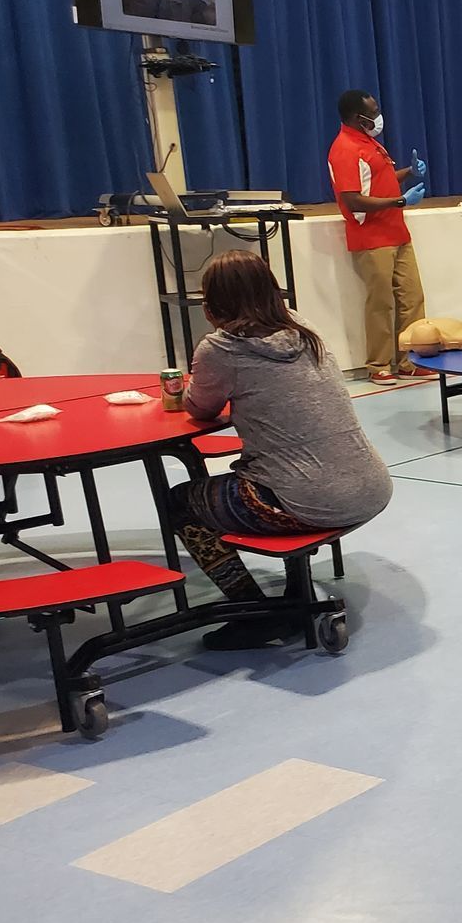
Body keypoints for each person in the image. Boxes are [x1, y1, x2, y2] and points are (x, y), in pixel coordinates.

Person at [174, 252, 393, 648]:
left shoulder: (221, 349)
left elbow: (198, 406)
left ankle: (255, 613)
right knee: (288, 474)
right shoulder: (302, 326)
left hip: (308, 498)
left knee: (180, 503)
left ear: (212, 305)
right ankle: (296, 596)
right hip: (371, 485)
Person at [328, 88, 428, 382]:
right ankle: (378, 364)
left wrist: (409, 172)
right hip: (372, 237)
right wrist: (400, 201)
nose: (378, 116)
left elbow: (379, 182)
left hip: (397, 232)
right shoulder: (344, 148)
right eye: (373, 112)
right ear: (358, 118)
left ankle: (410, 360)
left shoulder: (370, 143)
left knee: (412, 298)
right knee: (381, 302)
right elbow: (353, 199)